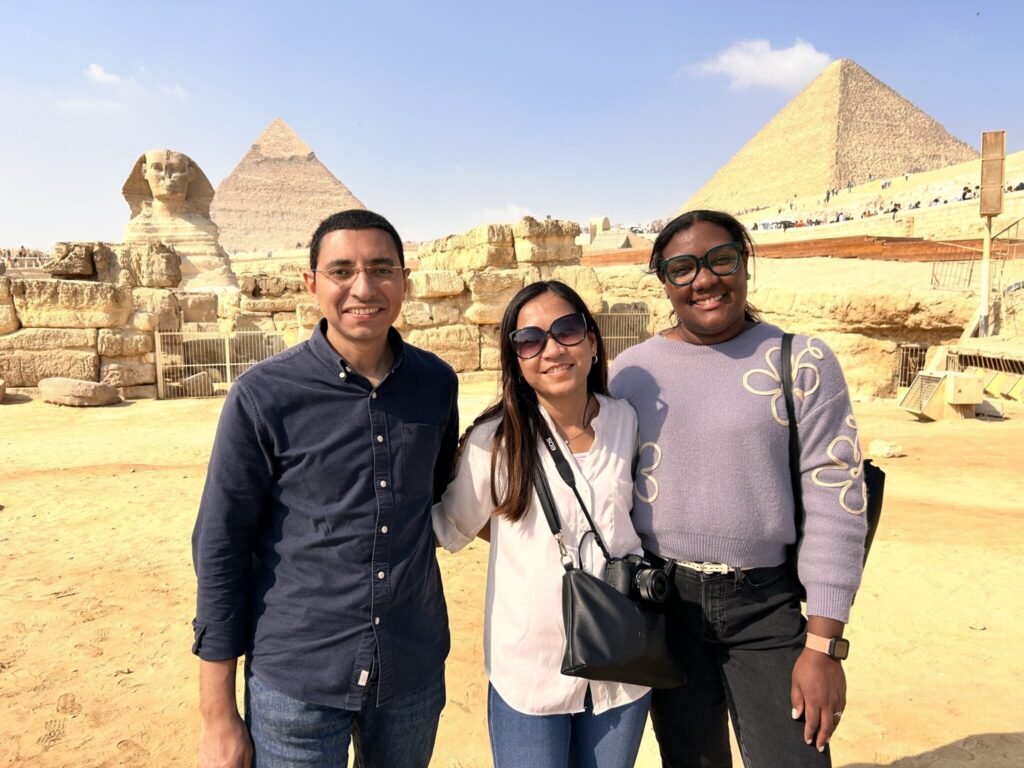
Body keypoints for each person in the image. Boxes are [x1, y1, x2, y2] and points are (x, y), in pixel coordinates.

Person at [192, 209, 459, 768]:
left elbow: (433, 501)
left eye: (382, 269)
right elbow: (221, 548)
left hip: (410, 667)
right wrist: (217, 715)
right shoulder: (262, 396)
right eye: (342, 270)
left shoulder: (437, 384)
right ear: (312, 283)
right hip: (297, 679)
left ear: (405, 280)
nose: (363, 287)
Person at [609, 209, 868, 768]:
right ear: (664, 282)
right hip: (665, 605)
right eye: (682, 268)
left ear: (745, 263)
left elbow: (836, 502)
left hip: (766, 609)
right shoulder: (629, 374)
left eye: (719, 259)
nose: (703, 280)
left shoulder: (801, 362)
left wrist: (824, 647)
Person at [432, 280, 652, 768]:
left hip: (622, 666)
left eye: (567, 330)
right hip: (531, 669)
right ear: (516, 360)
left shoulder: (628, 422)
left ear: (593, 342)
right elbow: (453, 526)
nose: (552, 349)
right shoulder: (494, 443)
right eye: (529, 340)